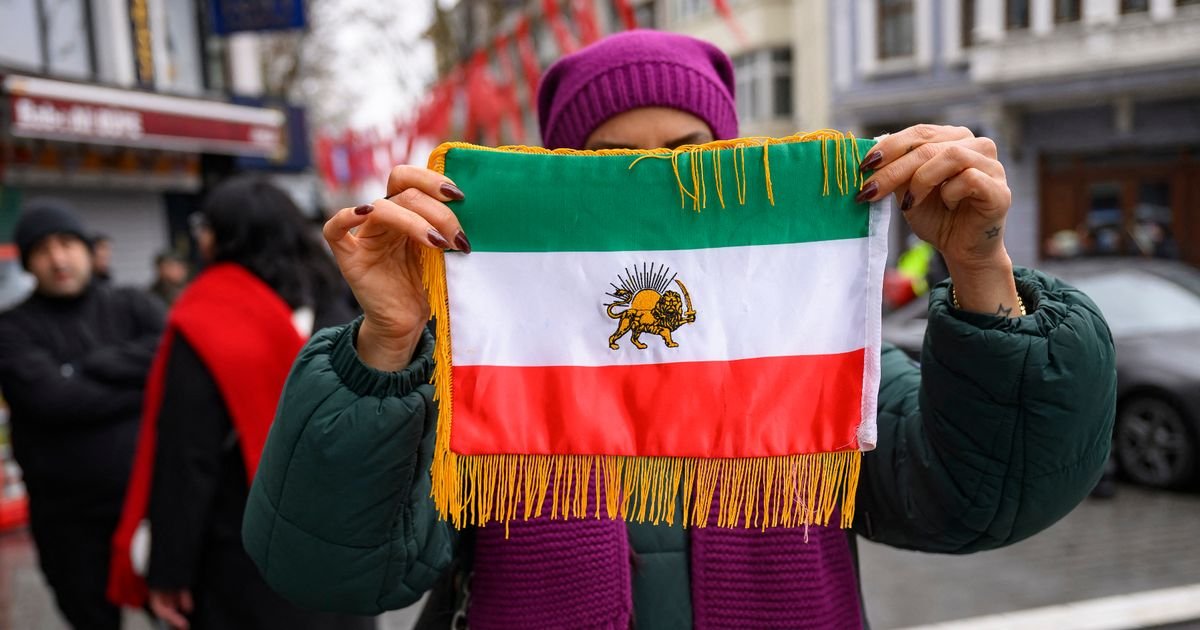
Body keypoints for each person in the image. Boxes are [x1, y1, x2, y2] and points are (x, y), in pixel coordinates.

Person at [242, 31, 1117, 629]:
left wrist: (979, 267)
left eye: (688, 156)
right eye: (614, 161)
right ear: (561, 180)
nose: (656, 186)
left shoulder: (809, 349)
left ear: (728, 162)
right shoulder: (489, 357)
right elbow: (334, 567)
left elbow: (979, 494)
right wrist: (388, 343)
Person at [107, 176, 369, 630]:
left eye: (205, 227)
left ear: (225, 236)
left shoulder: (208, 312)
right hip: (341, 546)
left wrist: (170, 570)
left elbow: (187, 458)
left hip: (246, 555)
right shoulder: (342, 304)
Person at [0, 200, 165, 630]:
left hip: (150, 505)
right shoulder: (12, 328)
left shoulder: (133, 305)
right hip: (67, 520)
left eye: (67, 243)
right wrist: (141, 388)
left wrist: (88, 368)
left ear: (88, 249)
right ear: (27, 263)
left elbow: (171, 362)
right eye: (42, 250)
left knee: (177, 613)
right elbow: (52, 400)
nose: (58, 259)